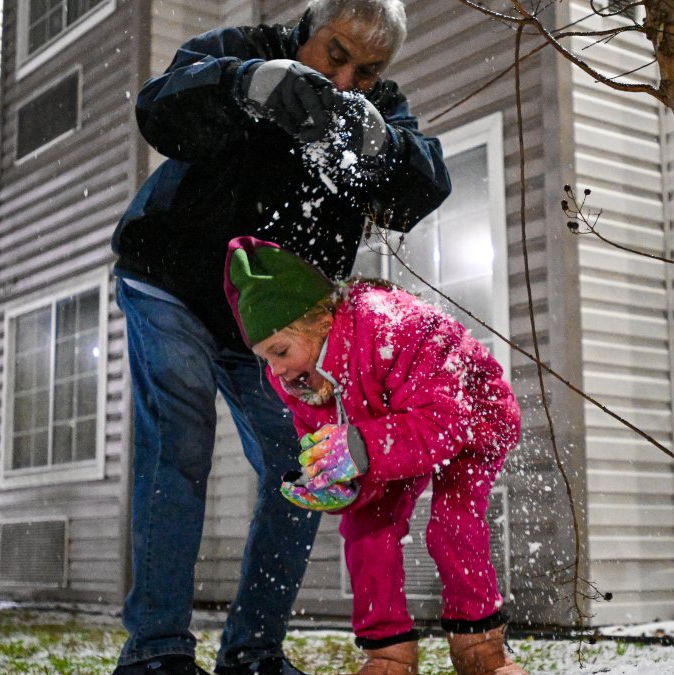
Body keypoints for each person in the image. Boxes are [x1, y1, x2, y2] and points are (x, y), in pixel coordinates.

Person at [109, 0, 451, 672]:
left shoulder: (376, 106)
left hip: (268, 327)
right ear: (309, 28)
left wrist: (379, 143)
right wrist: (249, 84)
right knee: (178, 443)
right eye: (337, 54)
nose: (349, 78)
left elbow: (422, 181)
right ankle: (156, 649)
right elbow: (160, 109)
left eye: (368, 68)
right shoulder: (242, 45)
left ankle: (253, 649)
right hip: (172, 281)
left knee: (306, 466)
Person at [223, 237, 527, 675]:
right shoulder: (295, 380)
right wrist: (334, 483)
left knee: (451, 524)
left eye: (280, 352)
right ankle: (388, 653)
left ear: (319, 320)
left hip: (471, 419)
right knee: (366, 528)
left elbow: (445, 422)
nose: (276, 371)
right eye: (264, 359)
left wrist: (359, 447)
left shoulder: (393, 324)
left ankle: (481, 648)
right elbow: (325, 439)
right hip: (384, 429)